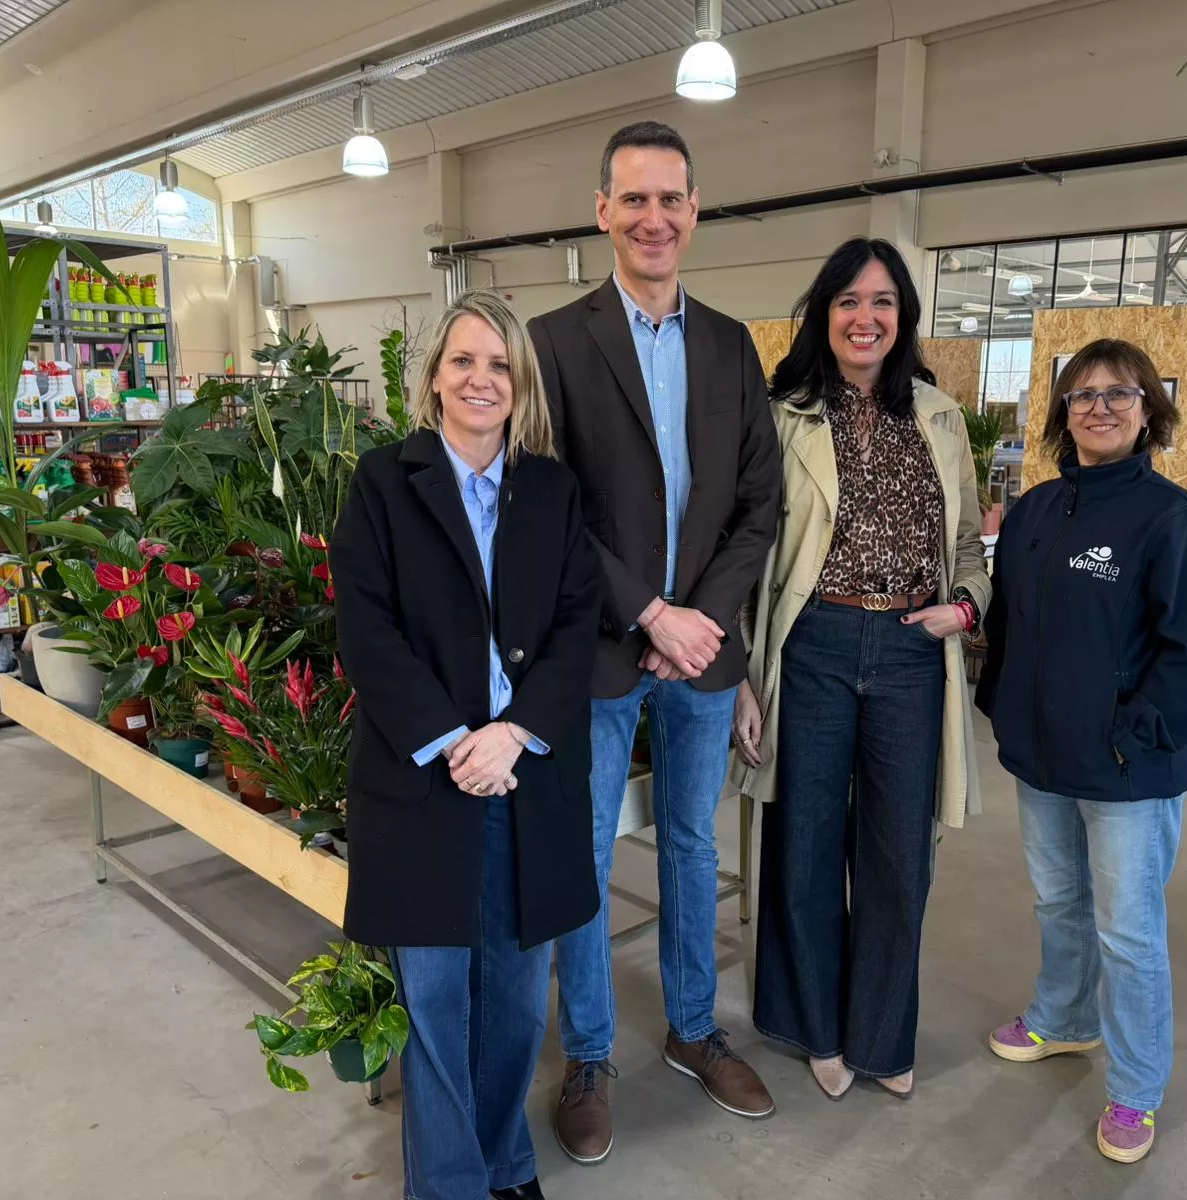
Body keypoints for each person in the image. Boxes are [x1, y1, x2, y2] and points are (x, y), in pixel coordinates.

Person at [528, 120, 782, 1163]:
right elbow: (548, 508)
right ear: (601, 211)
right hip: (597, 644)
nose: (653, 216)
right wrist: (647, 612)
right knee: (585, 851)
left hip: (702, 655)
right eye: (633, 198)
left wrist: (701, 622)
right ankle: (588, 1053)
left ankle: (691, 1030)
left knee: (689, 843)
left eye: (670, 198)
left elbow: (758, 502)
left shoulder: (729, 343)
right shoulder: (552, 342)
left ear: (693, 210)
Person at [332, 291, 602, 1200]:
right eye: (463, 361)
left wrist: (514, 734)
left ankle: (505, 1163)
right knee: (438, 1004)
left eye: (500, 365)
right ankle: (447, 1183)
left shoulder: (554, 492)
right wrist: (457, 740)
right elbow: (367, 630)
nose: (481, 379)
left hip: (526, 776)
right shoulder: (383, 483)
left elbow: (577, 625)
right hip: (427, 781)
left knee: (522, 1001)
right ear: (434, 379)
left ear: (520, 384)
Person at [730, 237, 992, 1100]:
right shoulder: (784, 413)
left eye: (882, 302)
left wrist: (964, 606)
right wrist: (743, 670)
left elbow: (966, 550)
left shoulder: (940, 417)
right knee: (804, 842)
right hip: (816, 645)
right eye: (848, 300)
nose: (865, 318)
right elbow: (751, 547)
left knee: (897, 854)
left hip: (915, 652)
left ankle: (881, 1035)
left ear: (903, 316)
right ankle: (811, 1025)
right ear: (824, 313)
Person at [977, 337, 1187, 1165]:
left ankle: (1137, 1088)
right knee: (1057, 903)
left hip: (1125, 770)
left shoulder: (1173, 519)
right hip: (1041, 760)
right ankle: (1066, 1017)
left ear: (1150, 410)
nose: (1101, 409)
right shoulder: (1038, 512)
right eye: (1083, 396)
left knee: (1128, 931)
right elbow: (1008, 623)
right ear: (1062, 415)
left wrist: (1135, 740)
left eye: (1120, 394)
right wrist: (1002, 708)